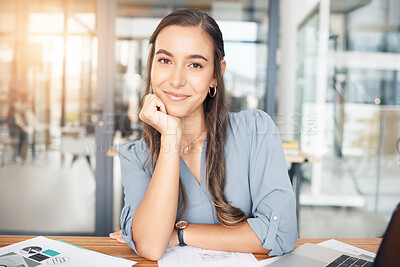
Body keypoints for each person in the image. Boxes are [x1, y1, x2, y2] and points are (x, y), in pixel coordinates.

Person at [109, 8, 297, 261]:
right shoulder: (135, 155)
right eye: (165, 60)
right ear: (151, 66)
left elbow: (280, 234)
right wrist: (171, 138)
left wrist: (181, 234)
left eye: (195, 64)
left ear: (215, 76)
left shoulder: (256, 130)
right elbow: (152, 246)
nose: (176, 80)